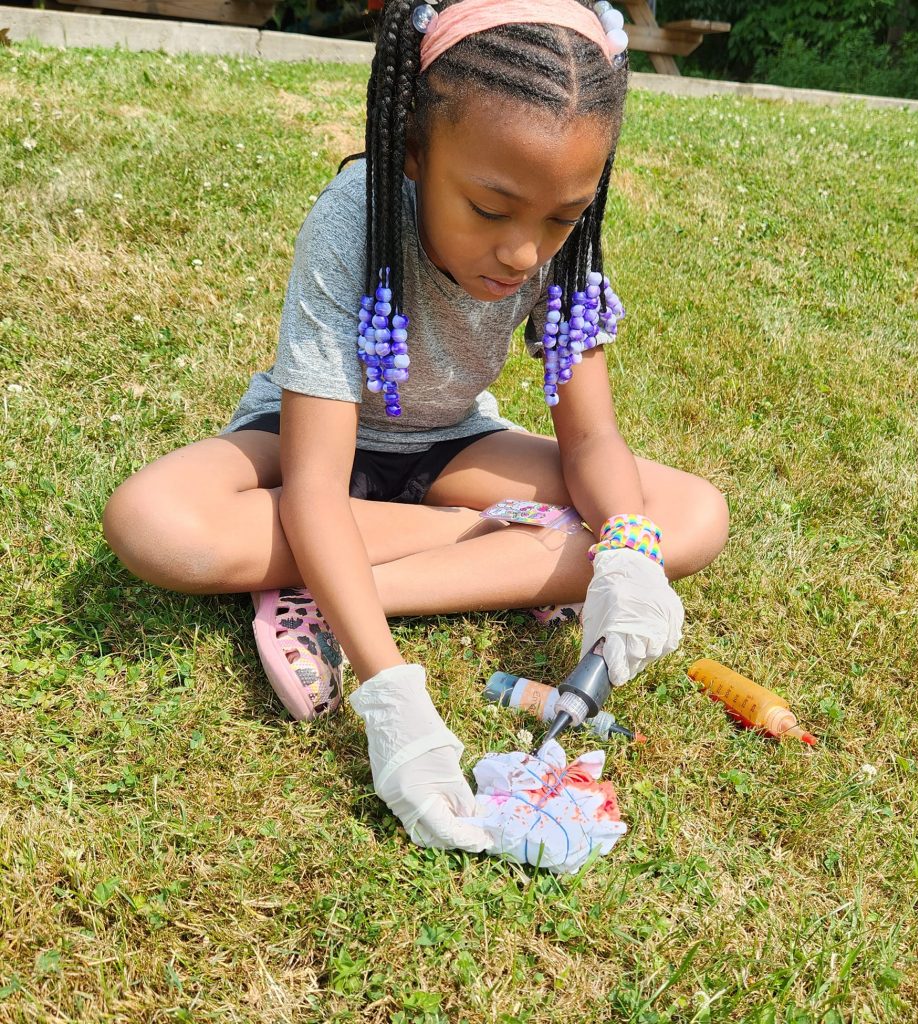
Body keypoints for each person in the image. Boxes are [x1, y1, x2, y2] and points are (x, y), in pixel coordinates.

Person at [102, 0, 729, 854]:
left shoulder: (560, 250)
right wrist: (391, 692)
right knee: (154, 522)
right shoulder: (355, 217)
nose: (522, 253)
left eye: (560, 216)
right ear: (413, 151)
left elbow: (590, 442)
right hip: (307, 450)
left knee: (686, 518)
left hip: (448, 444)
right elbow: (316, 485)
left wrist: (622, 549)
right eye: (490, 208)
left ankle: (334, 594)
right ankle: (487, 548)